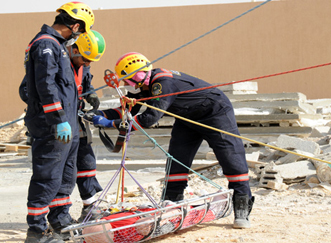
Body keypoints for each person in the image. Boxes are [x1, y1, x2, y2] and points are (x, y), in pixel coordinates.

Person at [91, 52, 254, 229]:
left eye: (126, 79)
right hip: (187, 117)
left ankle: (242, 206)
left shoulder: (162, 83)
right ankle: (171, 204)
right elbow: (130, 107)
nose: (124, 84)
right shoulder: (145, 85)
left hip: (215, 112)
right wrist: (99, 115)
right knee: (178, 158)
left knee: (231, 157)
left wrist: (111, 123)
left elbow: (149, 118)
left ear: (136, 76)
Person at [20, 2, 94, 243]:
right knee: (48, 176)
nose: (79, 36)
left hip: (68, 123)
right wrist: (59, 119)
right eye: (80, 32)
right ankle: (36, 231)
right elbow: (46, 86)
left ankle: (60, 220)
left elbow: (67, 85)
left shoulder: (59, 47)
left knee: (66, 174)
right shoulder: (46, 45)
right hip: (52, 124)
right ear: (74, 26)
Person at [66, 30, 107, 222]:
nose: (88, 64)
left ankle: (90, 206)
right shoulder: (57, 61)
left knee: (87, 161)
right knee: (62, 169)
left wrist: (89, 92)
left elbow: (84, 82)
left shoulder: (82, 63)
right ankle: (58, 216)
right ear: (74, 50)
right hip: (58, 122)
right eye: (86, 59)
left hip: (76, 119)